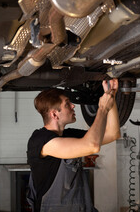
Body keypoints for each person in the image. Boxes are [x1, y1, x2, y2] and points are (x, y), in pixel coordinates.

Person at [27, 79, 120, 212]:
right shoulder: (40, 140)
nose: (73, 106)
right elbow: (92, 146)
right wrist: (103, 108)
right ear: (54, 114)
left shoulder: (69, 134)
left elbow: (113, 133)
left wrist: (111, 98)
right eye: (67, 104)